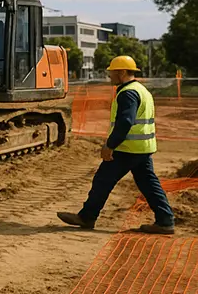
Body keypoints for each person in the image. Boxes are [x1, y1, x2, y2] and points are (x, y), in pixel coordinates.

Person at [57, 55, 175, 235]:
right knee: (149, 185)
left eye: (112, 73)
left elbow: (125, 122)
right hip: (142, 148)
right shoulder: (141, 90)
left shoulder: (127, 93)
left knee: (103, 181)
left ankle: (87, 217)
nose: (109, 76)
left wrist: (110, 145)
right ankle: (165, 221)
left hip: (126, 148)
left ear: (121, 72)